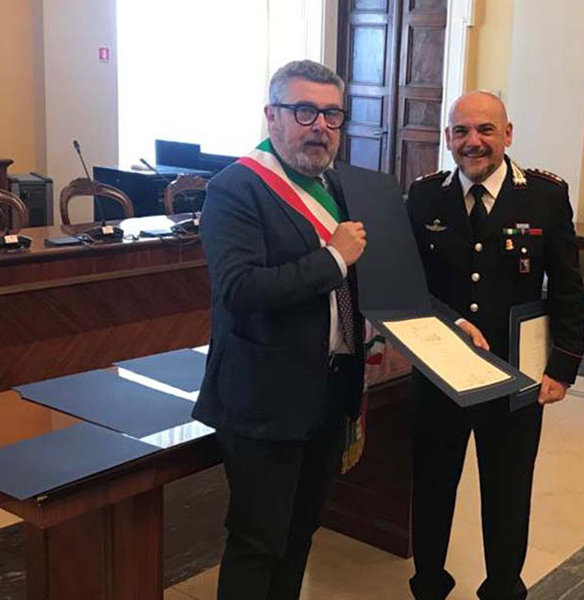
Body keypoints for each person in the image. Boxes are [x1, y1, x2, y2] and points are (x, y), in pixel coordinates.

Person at [193, 60, 367, 600]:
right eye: (304, 111)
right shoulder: (235, 189)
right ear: (272, 116)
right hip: (263, 397)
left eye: (332, 115)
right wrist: (332, 259)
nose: (320, 127)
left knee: (299, 534)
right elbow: (240, 290)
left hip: (328, 389)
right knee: (259, 541)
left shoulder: (335, 183)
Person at [406, 91, 584, 600]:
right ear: (448, 138)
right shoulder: (424, 196)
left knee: (508, 490)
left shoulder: (545, 196)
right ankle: (429, 583)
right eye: (462, 131)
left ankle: (504, 588)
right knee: (432, 484)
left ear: (507, 135)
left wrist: (562, 367)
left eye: (486, 129)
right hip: (440, 371)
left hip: (514, 377)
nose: (474, 141)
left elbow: (569, 287)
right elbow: (409, 284)